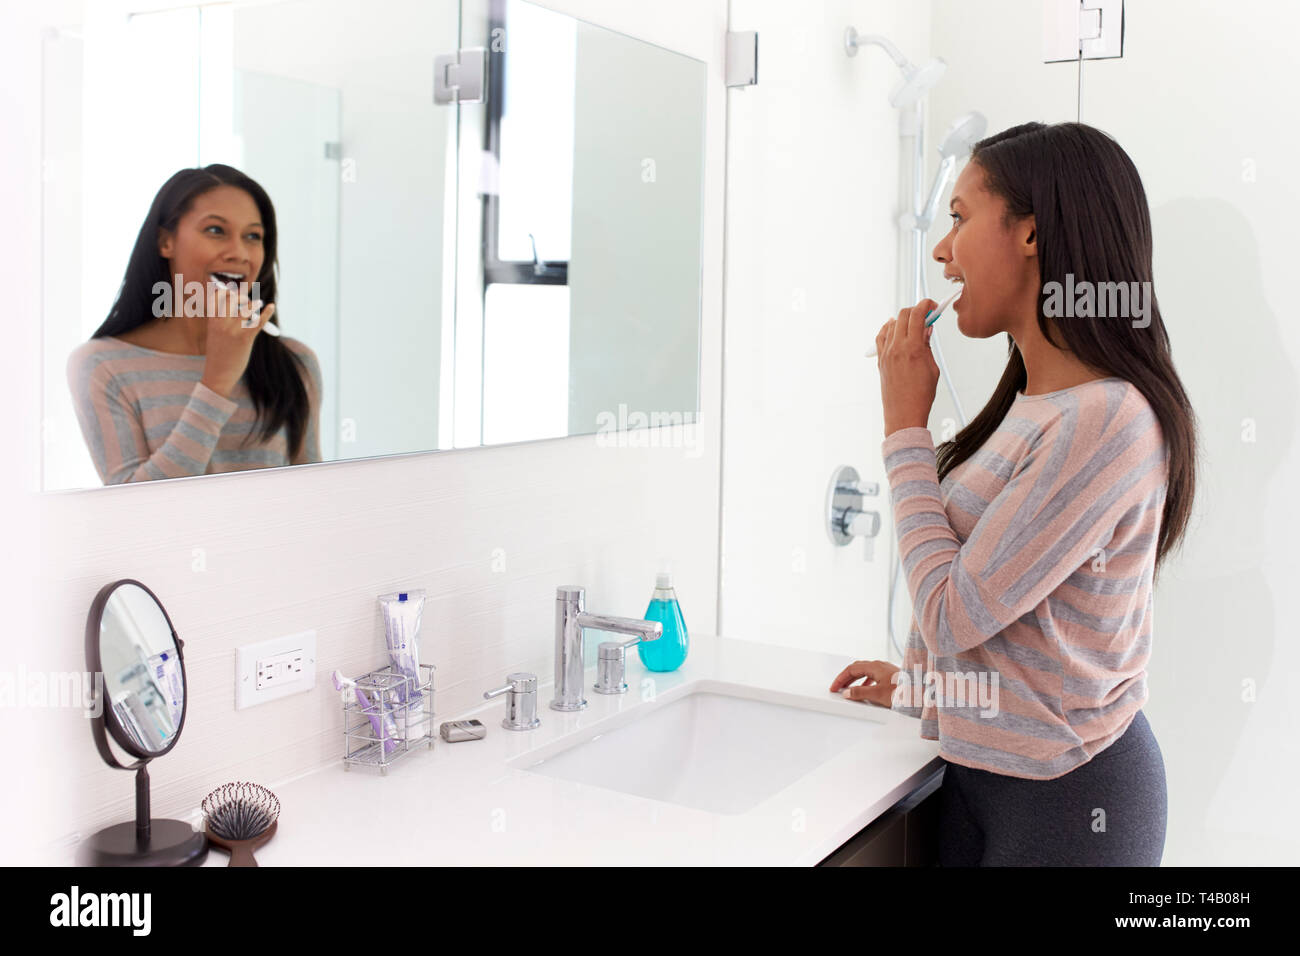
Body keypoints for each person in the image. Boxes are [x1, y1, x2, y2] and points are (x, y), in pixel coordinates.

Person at [830, 122, 1198, 866]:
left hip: (1069, 797)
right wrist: (923, 689)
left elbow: (955, 613)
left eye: (960, 219)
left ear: (1029, 234)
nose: (941, 251)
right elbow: (1016, 633)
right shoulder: (1032, 409)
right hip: (986, 778)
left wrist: (904, 426)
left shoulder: (1107, 420)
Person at [67, 164, 321, 484]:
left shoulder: (295, 363)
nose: (239, 253)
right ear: (165, 242)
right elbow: (133, 509)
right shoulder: (101, 365)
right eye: (216, 230)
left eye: (253, 236)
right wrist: (217, 381)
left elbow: (314, 495)